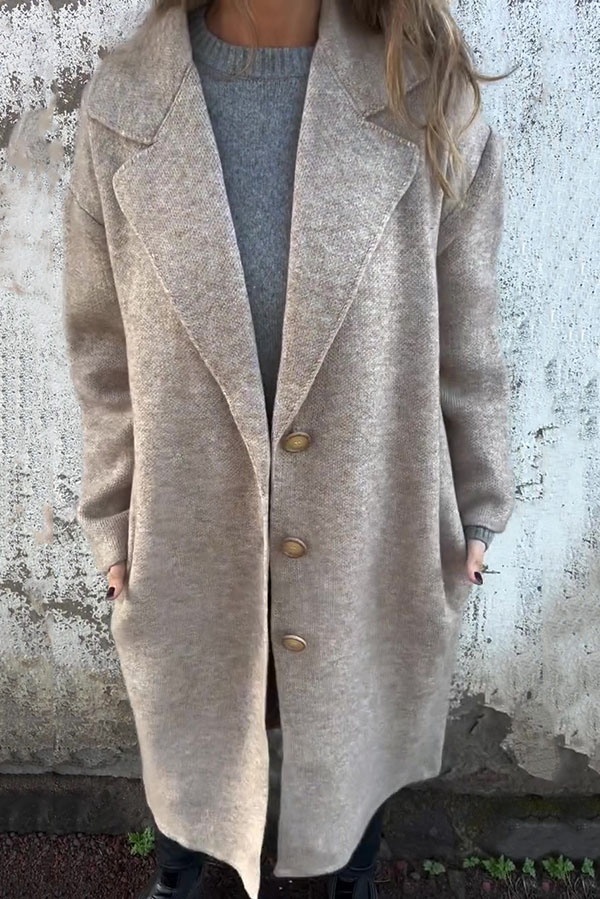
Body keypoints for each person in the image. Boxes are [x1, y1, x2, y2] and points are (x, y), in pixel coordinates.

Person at [62, 0, 516, 897]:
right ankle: (179, 877)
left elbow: (468, 330)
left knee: (353, 725)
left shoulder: (425, 99)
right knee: (191, 732)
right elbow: (102, 348)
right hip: (191, 517)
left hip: (368, 514)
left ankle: (353, 878)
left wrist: (480, 501)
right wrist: (111, 518)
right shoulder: (125, 107)